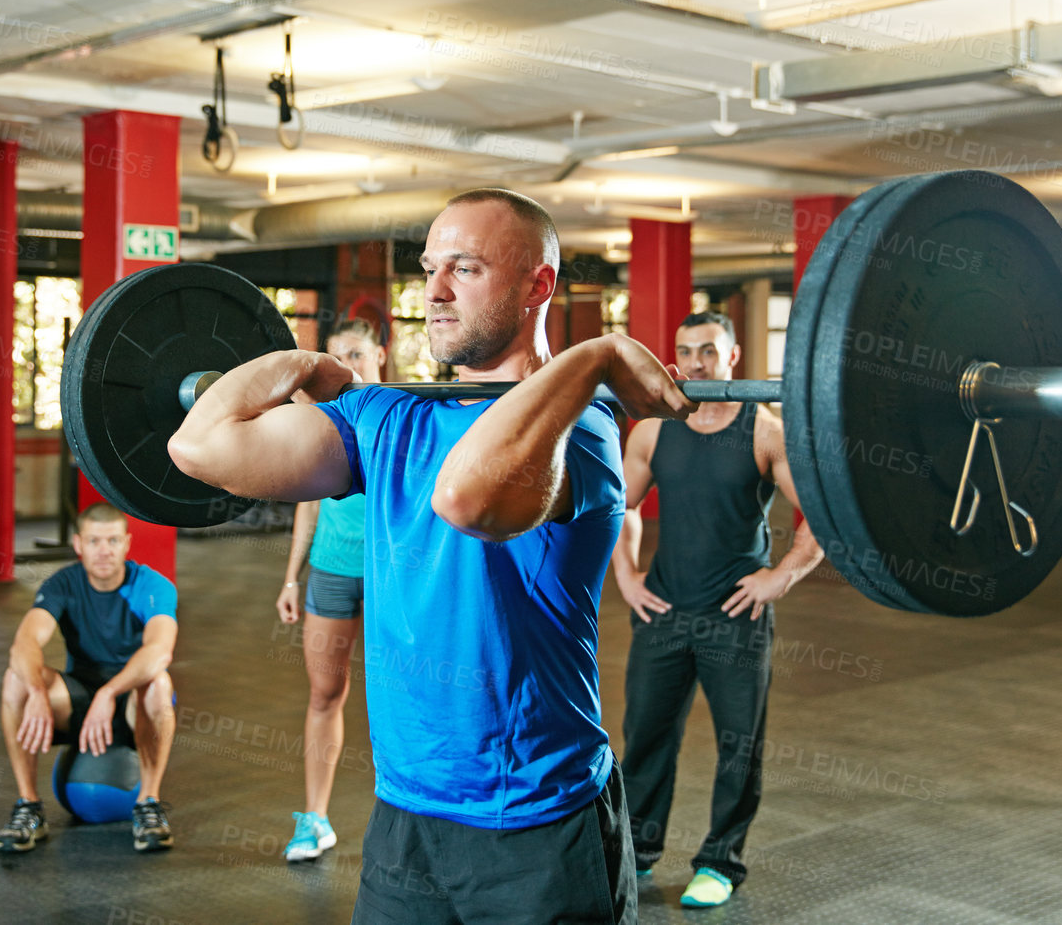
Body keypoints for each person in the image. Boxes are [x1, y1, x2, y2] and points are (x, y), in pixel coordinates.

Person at [170, 188, 694, 924]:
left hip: (536, 820)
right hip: (405, 815)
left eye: (466, 269)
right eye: (429, 268)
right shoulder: (388, 415)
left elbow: (468, 499)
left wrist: (591, 361)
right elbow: (198, 446)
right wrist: (297, 361)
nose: (435, 292)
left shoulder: (584, 430)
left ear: (537, 286)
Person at [614, 311, 823, 909]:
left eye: (709, 351)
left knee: (740, 744)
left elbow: (821, 518)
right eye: (685, 351)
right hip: (663, 613)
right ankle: (638, 850)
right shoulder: (653, 430)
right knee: (646, 737)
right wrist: (627, 575)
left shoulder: (766, 430)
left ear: (732, 358)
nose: (696, 363)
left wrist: (779, 577)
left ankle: (720, 861)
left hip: (737, 617)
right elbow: (621, 507)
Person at [0, 502, 179, 854]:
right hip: (79, 698)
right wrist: (36, 690)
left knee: (159, 684)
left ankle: (148, 803)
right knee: (15, 679)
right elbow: (26, 642)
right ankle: (28, 806)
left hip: (130, 702)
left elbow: (160, 651)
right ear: (79, 544)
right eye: (94, 541)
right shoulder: (63, 584)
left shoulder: (152, 586)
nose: (104, 551)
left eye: (112, 541)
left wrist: (109, 692)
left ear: (127, 543)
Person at [275, 318, 386, 862]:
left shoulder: (402, 413)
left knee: (399, 698)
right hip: (331, 570)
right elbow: (308, 499)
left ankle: (408, 820)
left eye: (358, 354)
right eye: (338, 358)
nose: (349, 367)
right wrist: (291, 576)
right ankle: (315, 818)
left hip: (394, 575)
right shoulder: (323, 419)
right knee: (325, 694)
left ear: (381, 356)